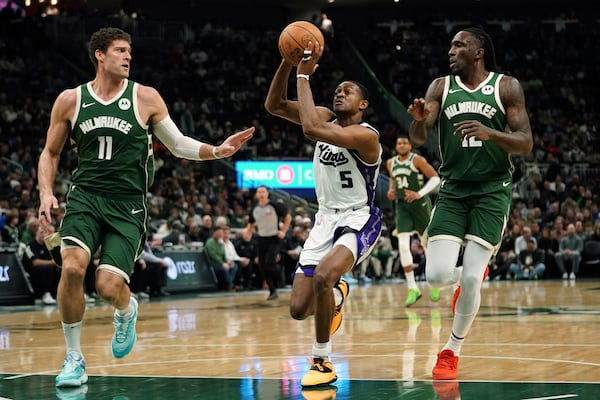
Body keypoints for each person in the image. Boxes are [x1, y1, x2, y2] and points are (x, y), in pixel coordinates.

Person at [37, 27, 253, 388]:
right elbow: (50, 153)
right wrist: (46, 192)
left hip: (127, 205)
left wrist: (217, 150)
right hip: (85, 195)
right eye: (120, 50)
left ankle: (127, 309)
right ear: (99, 55)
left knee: (107, 287)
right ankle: (74, 357)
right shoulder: (70, 100)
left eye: (130, 52)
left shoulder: (146, 97)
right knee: (73, 268)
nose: (128, 57)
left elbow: (179, 144)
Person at [407, 26, 533, 380]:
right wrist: (417, 123)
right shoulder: (440, 87)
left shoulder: (506, 86)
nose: (451, 50)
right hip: (454, 189)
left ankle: (451, 350)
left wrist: (490, 132)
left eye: (459, 45)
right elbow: (418, 138)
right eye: (450, 44)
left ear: (478, 52)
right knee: (434, 276)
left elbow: (525, 143)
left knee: (474, 281)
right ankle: (467, 278)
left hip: (493, 190)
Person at [264, 41, 383, 388]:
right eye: (336, 89)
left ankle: (321, 361)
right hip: (324, 219)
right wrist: (287, 64)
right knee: (298, 309)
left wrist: (303, 75)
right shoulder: (326, 117)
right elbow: (273, 105)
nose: (339, 93)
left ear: (363, 104)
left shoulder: (366, 136)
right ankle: (338, 291)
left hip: (359, 217)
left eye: (348, 91)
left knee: (322, 279)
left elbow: (311, 129)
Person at [386, 135, 441, 306]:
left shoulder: (417, 160)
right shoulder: (390, 163)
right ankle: (412, 288)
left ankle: (434, 283)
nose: (402, 145)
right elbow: (393, 181)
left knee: (427, 245)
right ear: (396, 146)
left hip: (420, 204)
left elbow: (435, 178)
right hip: (403, 206)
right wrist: (391, 191)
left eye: (405, 142)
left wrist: (419, 193)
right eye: (399, 142)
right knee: (403, 245)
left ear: (410, 145)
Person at [244, 186, 291, 301]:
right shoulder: (254, 209)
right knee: (261, 266)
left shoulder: (274, 206)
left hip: (274, 238)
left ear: (267, 194)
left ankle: (280, 275)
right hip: (261, 239)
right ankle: (272, 290)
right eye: (259, 192)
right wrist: (248, 233)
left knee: (269, 263)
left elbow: (288, 218)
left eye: (263, 192)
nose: (261, 194)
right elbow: (250, 224)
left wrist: (283, 231)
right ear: (256, 194)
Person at [21, 223, 60, 305]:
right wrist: (52, 262)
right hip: (31, 272)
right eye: (41, 232)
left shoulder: (48, 246)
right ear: (36, 233)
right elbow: (35, 262)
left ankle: (59, 293)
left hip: (46, 269)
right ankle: (45, 294)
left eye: (45, 232)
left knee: (59, 269)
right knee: (47, 268)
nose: (43, 235)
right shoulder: (30, 246)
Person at [204, 226, 238, 291]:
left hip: (221, 263)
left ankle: (226, 285)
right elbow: (213, 255)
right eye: (219, 232)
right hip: (212, 264)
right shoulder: (210, 242)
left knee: (234, 266)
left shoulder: (221, 243)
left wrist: (227, 262)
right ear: (214, 233)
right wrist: (222, 263)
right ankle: (229, 286)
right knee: (223, 269)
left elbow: (223, 256)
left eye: (221, 232)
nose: (220, 234)